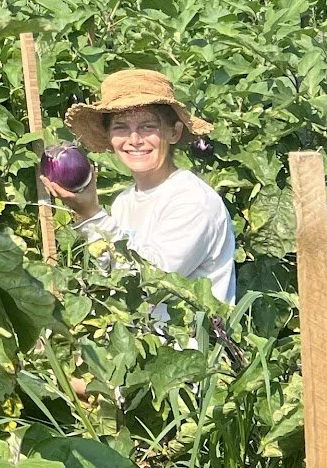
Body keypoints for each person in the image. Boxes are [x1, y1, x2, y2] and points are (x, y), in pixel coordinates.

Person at [45, 67, 236, 306]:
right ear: (109, 137)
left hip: (187, 342)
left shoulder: (193, 201)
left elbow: (152, 283)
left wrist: (91, 214)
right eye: (120, 127)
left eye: (148, 127)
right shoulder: (124, 202)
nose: (134, 140)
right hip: (142, 340)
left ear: (173, 132)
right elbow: (114, 275)